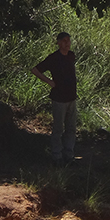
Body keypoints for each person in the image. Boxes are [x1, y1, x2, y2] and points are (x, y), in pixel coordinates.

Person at [31, 32, 78, 165]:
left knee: (71, 128)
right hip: (59, 98)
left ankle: (69, 155)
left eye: (68, 40)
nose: (67, 43)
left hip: (72, 97)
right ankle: (56, 156)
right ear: (58, 43)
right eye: (64, 41)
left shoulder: (71, 56)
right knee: (58, 128)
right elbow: (35, 70)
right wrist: (49, 81)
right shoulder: (53, 58)